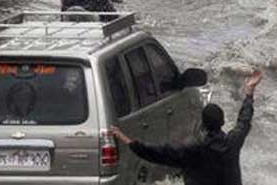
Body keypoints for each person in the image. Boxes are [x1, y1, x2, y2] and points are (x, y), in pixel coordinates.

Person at [110, 71, 263, 185]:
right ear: (222, 122)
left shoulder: (193, 150)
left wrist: (127, 140)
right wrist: (249, 92)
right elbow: (244, 120)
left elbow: (158, 153)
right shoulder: (233, 142)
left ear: (203, 124)